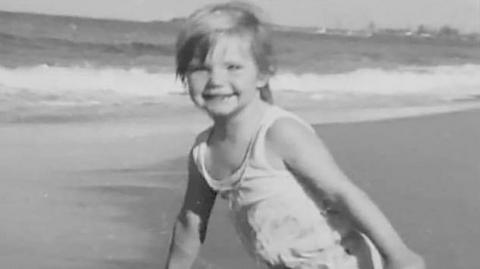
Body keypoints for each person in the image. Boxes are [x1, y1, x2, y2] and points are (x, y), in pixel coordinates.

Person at [165, 2, 425, 269]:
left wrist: (398, 255)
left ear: (262, 74)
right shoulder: (203, 153)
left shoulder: (279, 133)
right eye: (199, 68)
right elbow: (191, 222)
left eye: (233, 67)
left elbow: (342, 193)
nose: (215, 80)